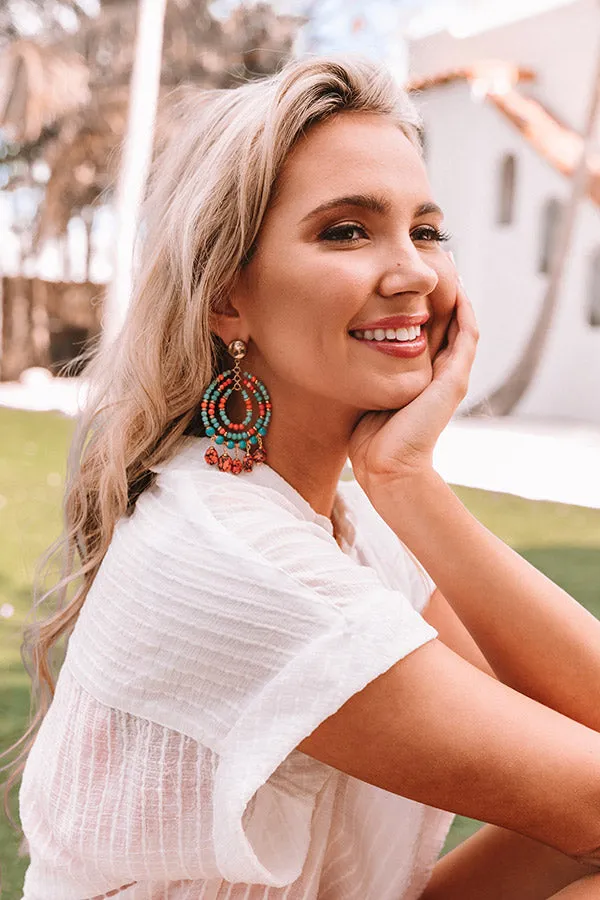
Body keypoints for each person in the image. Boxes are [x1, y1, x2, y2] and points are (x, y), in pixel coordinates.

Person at [6, 54, 600, 900]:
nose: (414, 275)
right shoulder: (231, 552)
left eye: (426, 231)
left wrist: (406, 481)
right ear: (227, 299)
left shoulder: (340, 523)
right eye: (346, 231)